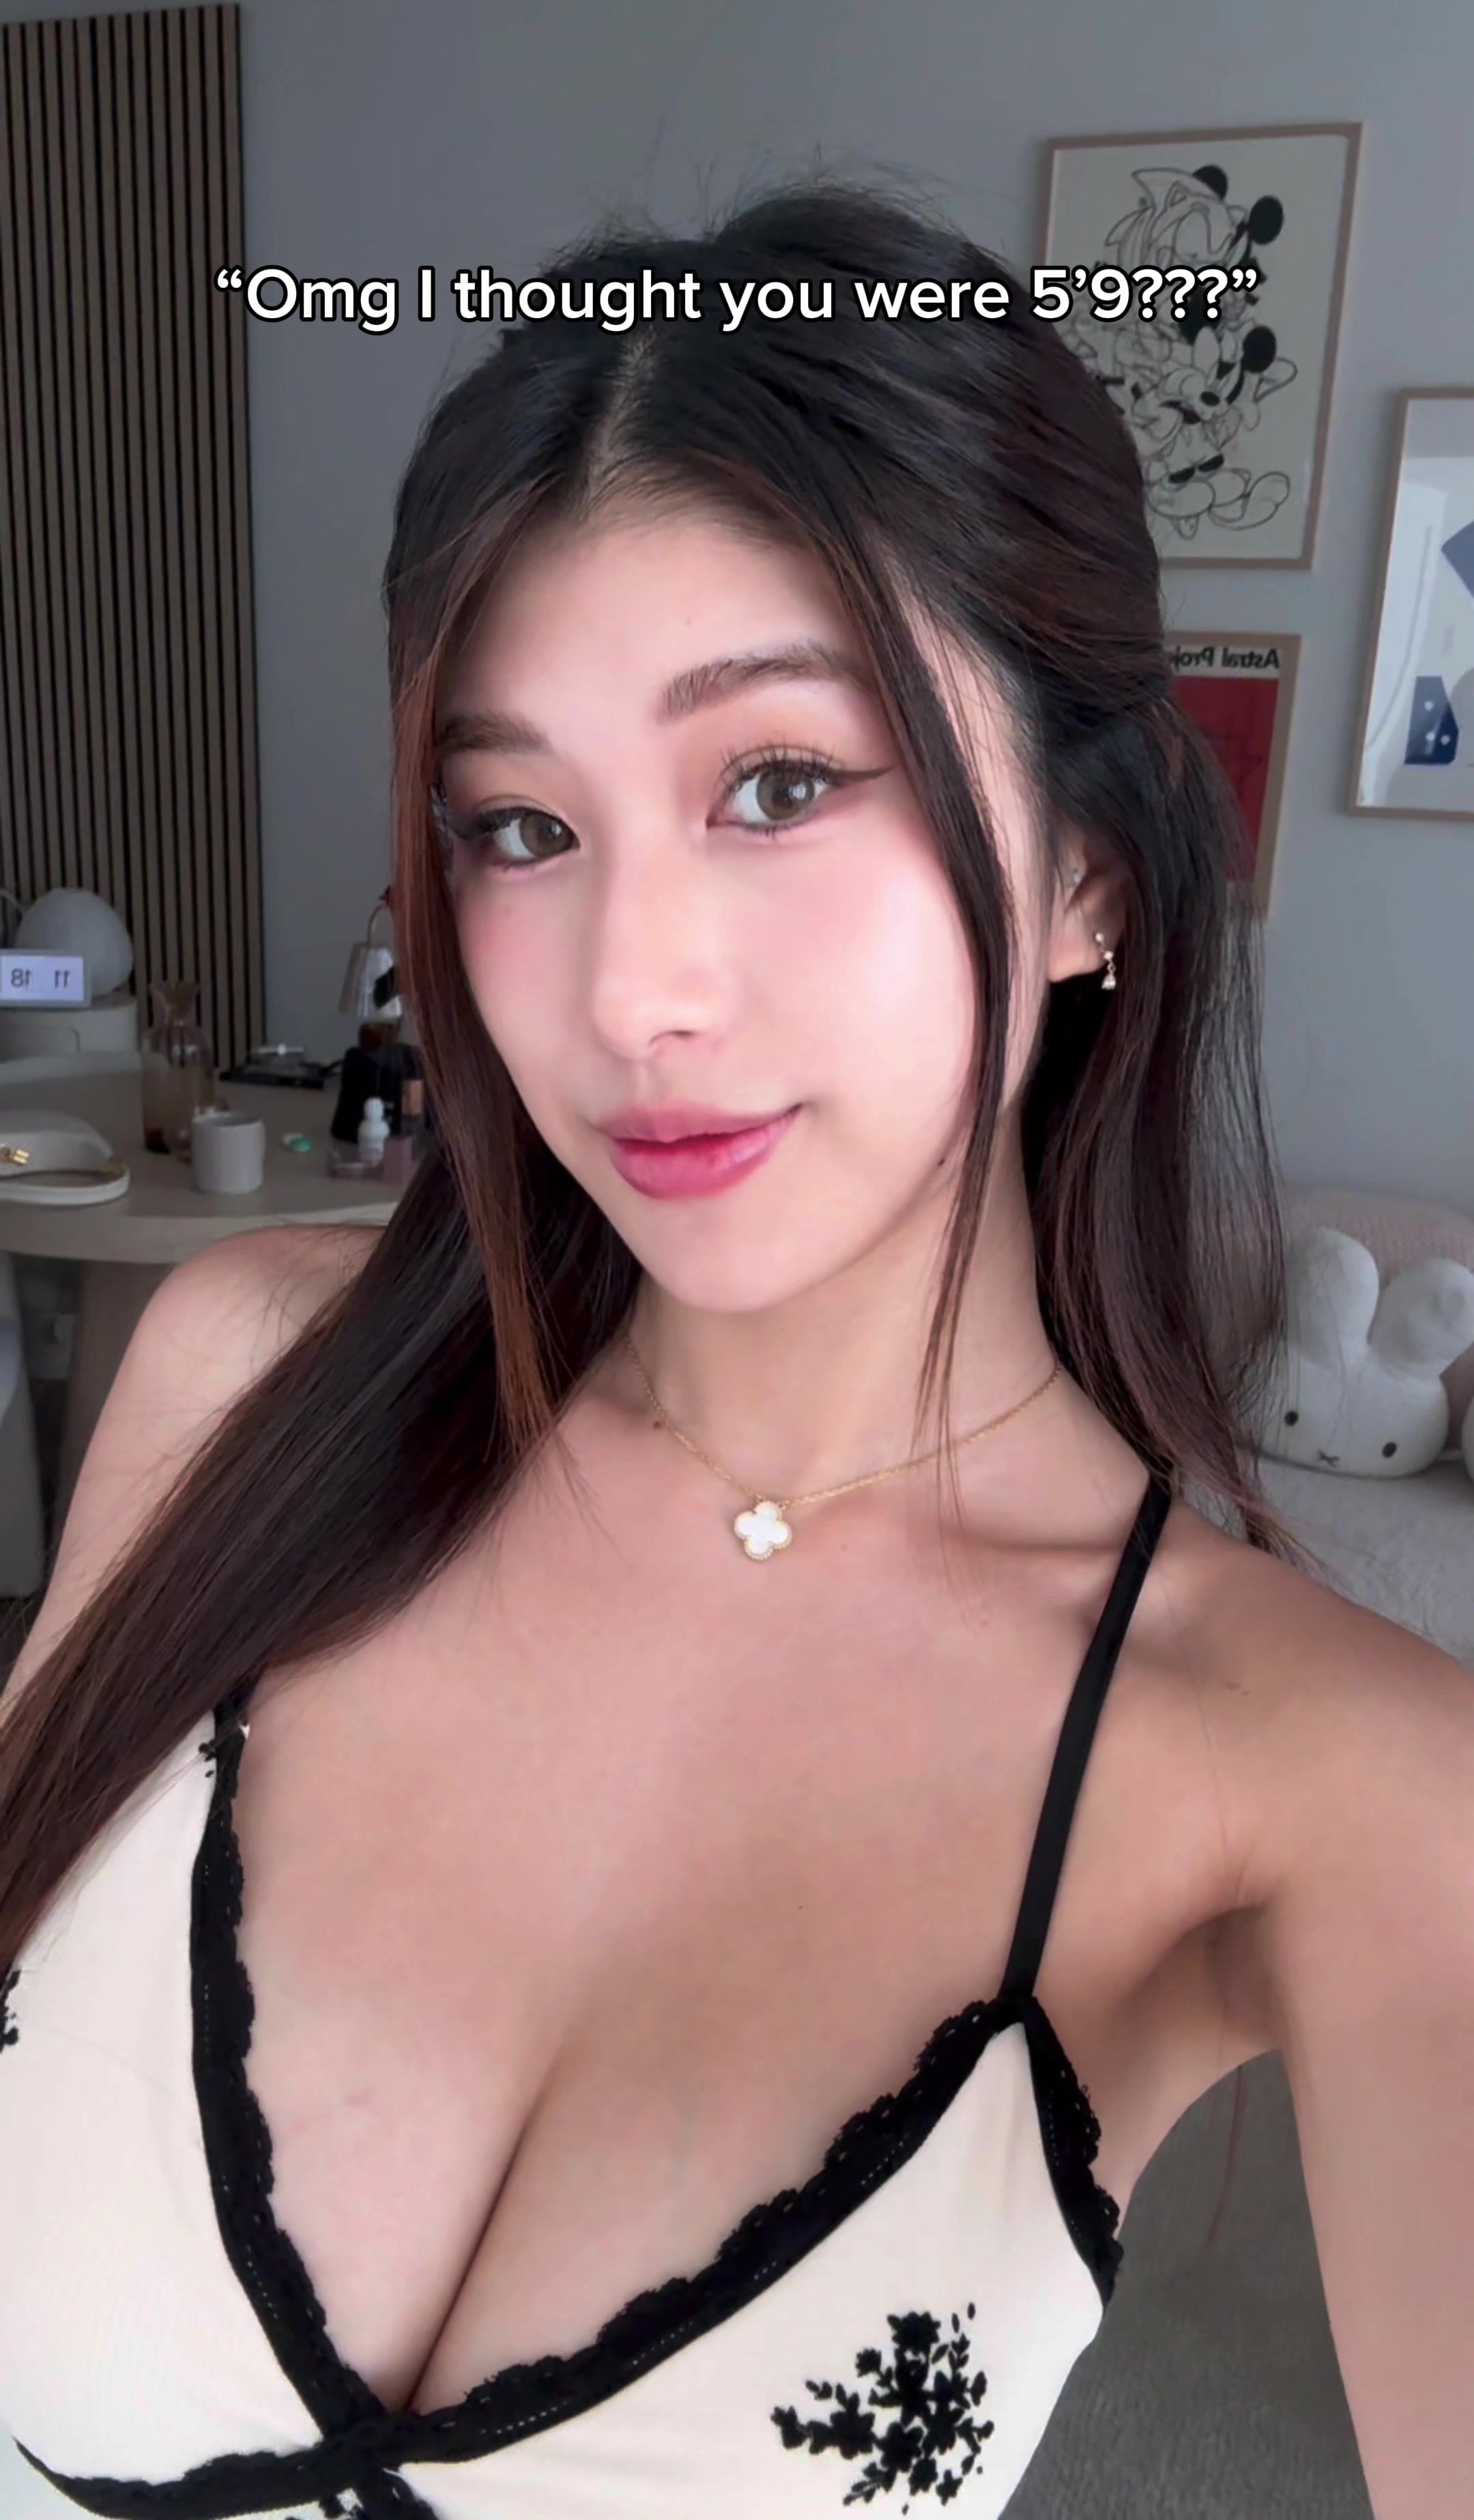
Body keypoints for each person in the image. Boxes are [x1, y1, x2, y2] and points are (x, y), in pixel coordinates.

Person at [1, 180, 1469, 2520]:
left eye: (780, 783)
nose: (628, 991)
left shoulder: (1332, 1782)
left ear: (1091, 871)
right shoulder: (233, 1387)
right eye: (519, 826)